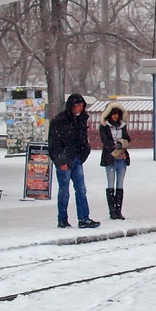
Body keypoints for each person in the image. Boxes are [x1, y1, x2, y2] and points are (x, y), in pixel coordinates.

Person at [48, 93, 100, 229]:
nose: (80, 108)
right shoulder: (60, 121)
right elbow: (54, 143)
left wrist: (83, 152)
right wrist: (60, 160)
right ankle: (63, 219)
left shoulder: (80, 120)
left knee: (81, 189)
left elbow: (82, 140)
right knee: (65, 190)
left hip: (76, 158)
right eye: (78, 106)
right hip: (65, 159)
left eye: (82, 106)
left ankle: (83, 218)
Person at [99, 105, 131, 220]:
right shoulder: (104, 127)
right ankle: (112, 211)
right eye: (113, 114)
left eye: (117, 114)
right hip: (110, 158)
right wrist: (113, 148)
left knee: (120, 184)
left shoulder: (122, 126)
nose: (116, 116)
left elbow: (127, 138)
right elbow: (105, 141)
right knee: (110, 183)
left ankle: (118, 210)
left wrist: (122, 145)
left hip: (122, 157)